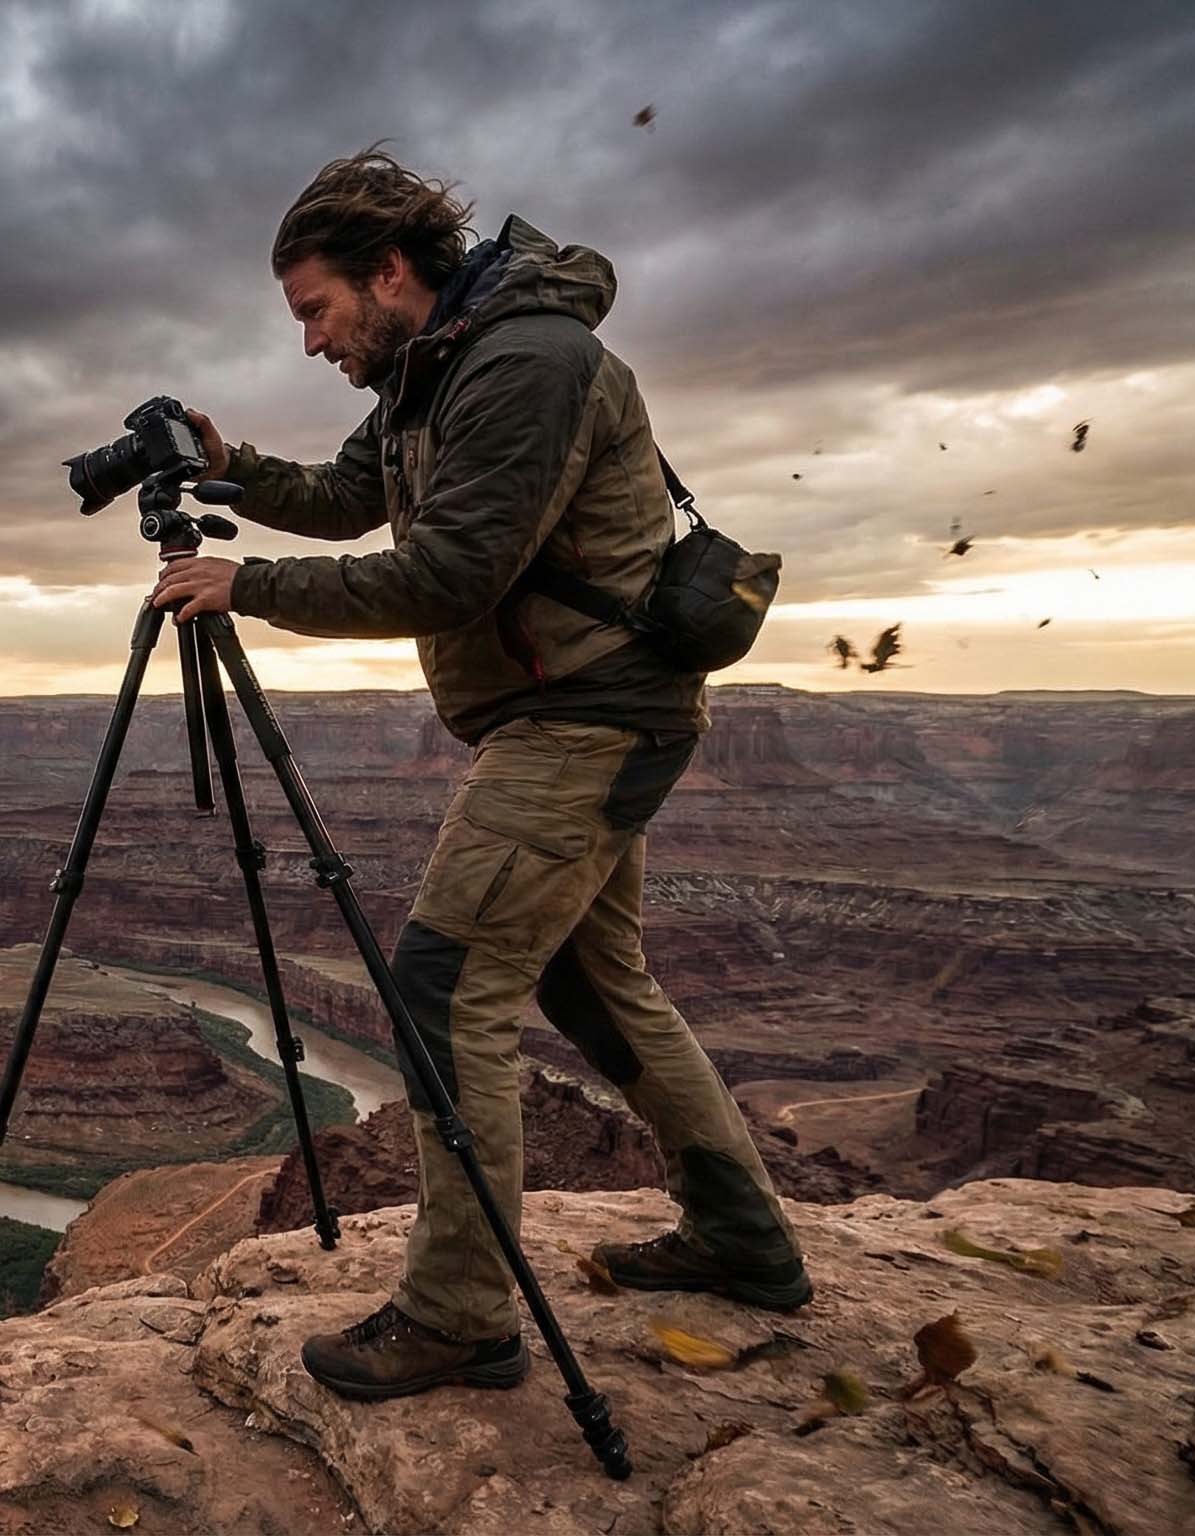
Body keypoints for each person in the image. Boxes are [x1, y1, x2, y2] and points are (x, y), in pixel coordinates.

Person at [149, 147, 808, 1402]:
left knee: (446, 985)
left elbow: (454, 573)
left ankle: (458, 1315)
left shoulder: (523, 362)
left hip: (590, 717)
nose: (309, 342)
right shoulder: (428, 368)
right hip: (571, 716)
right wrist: (233, 470)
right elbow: (353, 498)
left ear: (389, 272)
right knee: (594, 985)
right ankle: (741, 1238)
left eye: (315, 311)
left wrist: (248, 586)